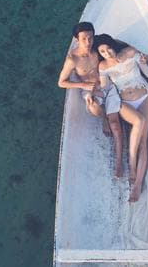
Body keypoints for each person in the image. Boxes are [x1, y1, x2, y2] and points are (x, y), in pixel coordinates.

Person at [93, 34, 148, 202]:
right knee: (139, 121)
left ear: (113, 45)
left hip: (143, 98)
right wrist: (93, 97)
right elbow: (105, 88)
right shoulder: (103, 66)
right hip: (124, 103)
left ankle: (137, 185)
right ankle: (131, 164)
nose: (107, 53)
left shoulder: (130, 52)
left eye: (108, 49)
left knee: (143, 141)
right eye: (102, 52)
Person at [57, 22, 126, 177]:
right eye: (84, 39)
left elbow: (113, 43)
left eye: (90, 38)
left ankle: (118, 163)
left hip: (107, 84)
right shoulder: (72, 59)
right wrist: (82, 84)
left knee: (116, 125)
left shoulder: (96, 45)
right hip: (89, 89)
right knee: (92, 105)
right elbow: (61, 82)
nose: (88, 42)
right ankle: (104, 118)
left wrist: (135, 52)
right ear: (76, 40)